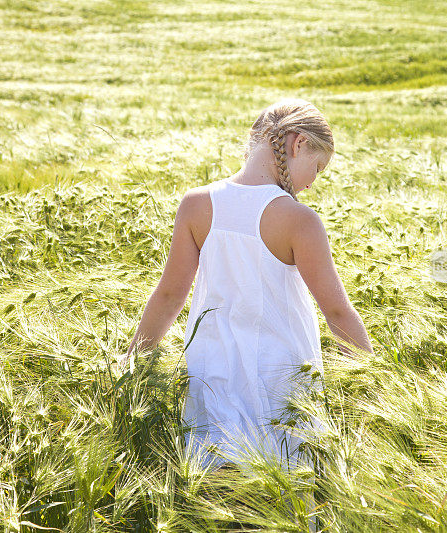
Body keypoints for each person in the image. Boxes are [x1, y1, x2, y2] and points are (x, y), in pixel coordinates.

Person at [122, 98, 373, 527]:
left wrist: (131, 359)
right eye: (318, 168)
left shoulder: (196, 204)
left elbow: (169, 296)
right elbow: (337, 311)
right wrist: (375, 378)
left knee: (217, 512)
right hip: (283, 385)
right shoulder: (299, 220)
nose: (312, 183)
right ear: (297, 144)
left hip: (211, 377)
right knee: (286, 512)